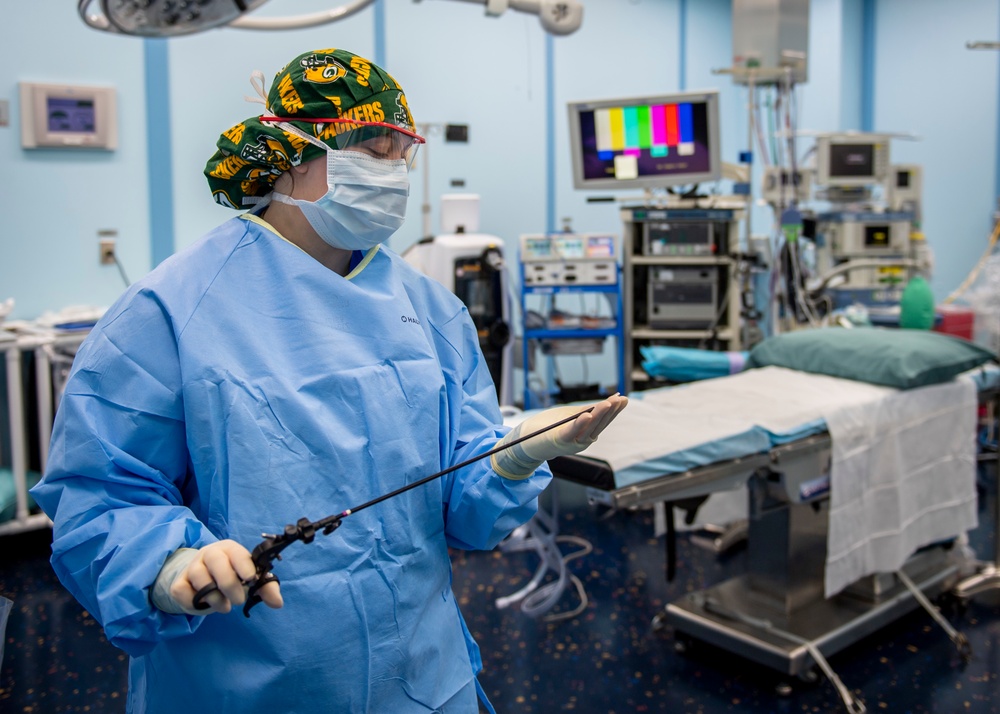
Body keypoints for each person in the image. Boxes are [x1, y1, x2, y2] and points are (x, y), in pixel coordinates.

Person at [30, 48, 627, 714]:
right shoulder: (170, 312)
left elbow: (464, 511)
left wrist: (511, 459)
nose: (394, 173)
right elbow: (100, 496)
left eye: (402, 155)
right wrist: (168, 564)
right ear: (291, 151)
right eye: (370, 152)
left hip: (422, 678)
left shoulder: (429, 311)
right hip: (246, 685)